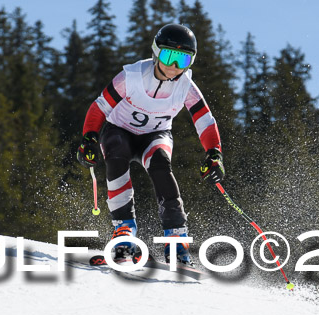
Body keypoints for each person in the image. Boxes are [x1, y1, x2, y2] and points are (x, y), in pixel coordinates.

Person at [76, 23, 225, 265]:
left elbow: (205, 120)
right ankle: (124, 234)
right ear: (156, 52)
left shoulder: (186, 86)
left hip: (155, 136)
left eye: (183, 60)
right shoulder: (132, 76)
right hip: (119, 131)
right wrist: (89, 137)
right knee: (115, 153)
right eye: (169, 56)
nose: (174, 67)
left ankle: (176, 239)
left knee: (161, 167)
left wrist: (214, 154)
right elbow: (100, 106)